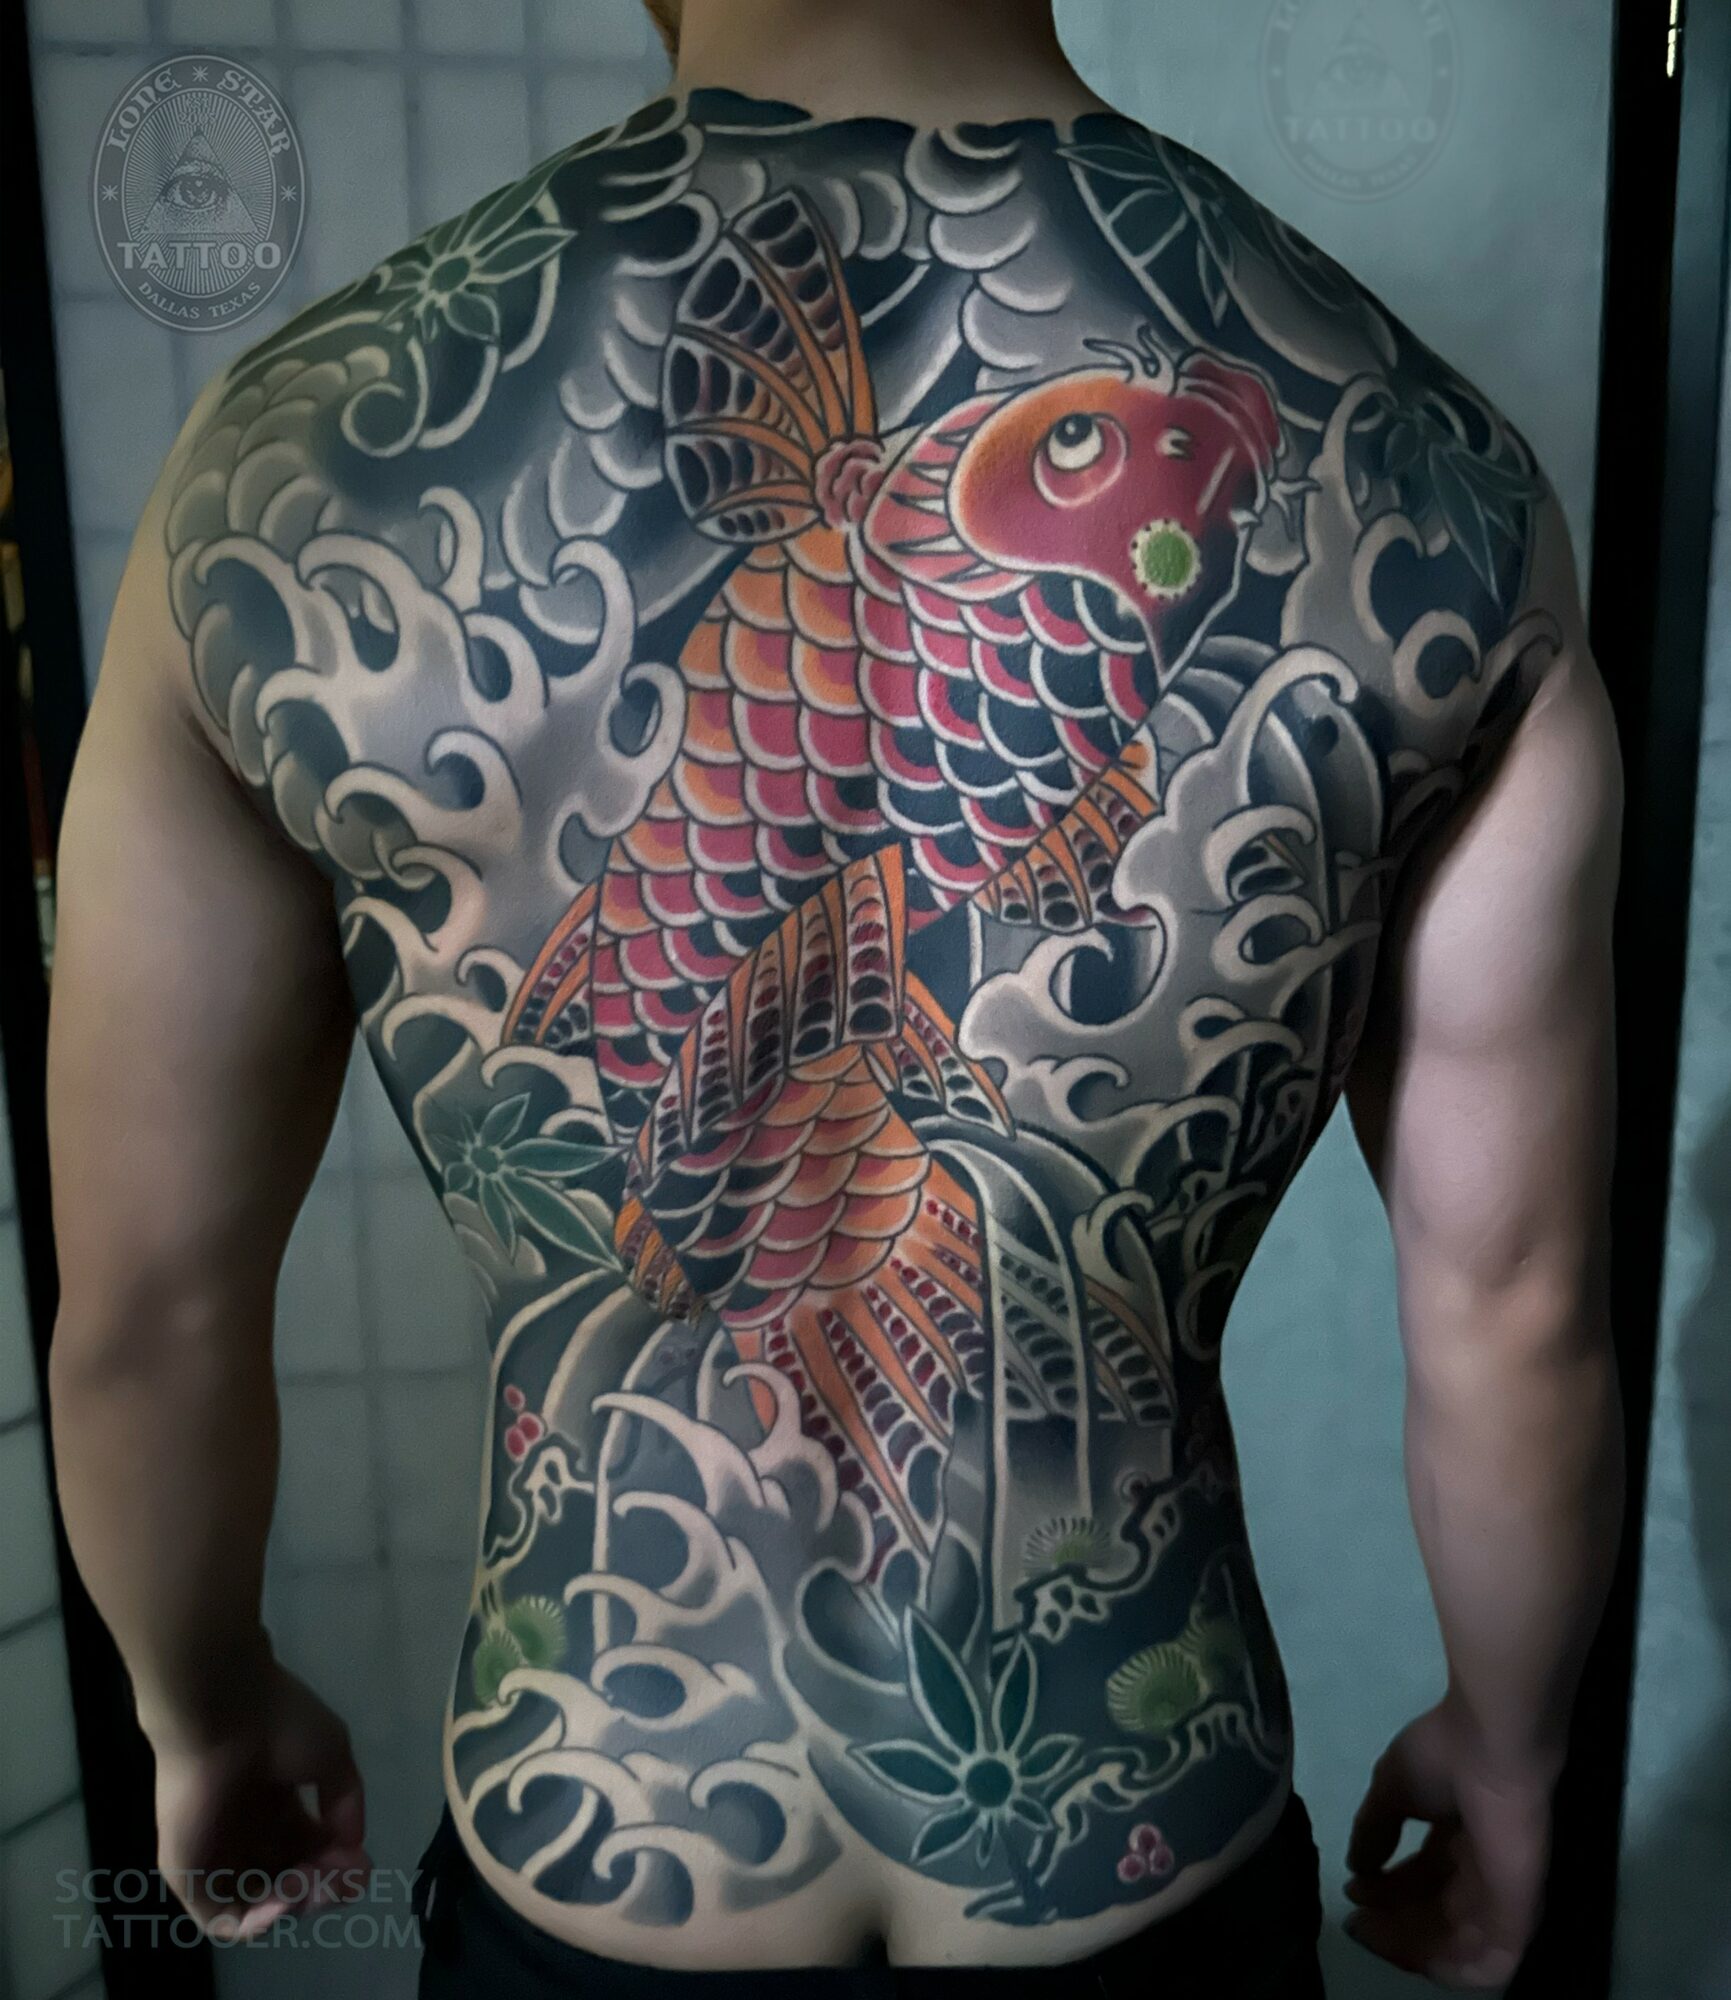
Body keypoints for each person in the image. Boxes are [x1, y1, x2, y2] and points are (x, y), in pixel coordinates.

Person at [45, 1, 1626, 1993]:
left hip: (596, 1835)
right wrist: (1511, 1752)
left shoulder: (275, 471)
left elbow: (148, 1313)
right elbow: (1516, 1307)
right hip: (1135, 1850)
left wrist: (194, 1707)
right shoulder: (1437, 480)